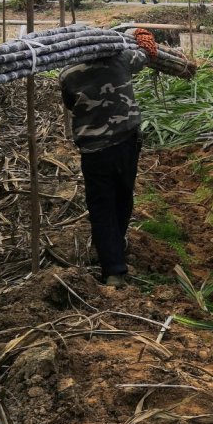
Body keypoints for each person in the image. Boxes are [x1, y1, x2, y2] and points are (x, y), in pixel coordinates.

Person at [59, 38, 149, 287]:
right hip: (126, 142)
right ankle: (116, 247)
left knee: (101, 205)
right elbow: (143, 56)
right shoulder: (121, 59)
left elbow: (69, 103)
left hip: (95, 150)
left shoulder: (68, 74)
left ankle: (113, 268)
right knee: (123, 196)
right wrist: (144, 42)